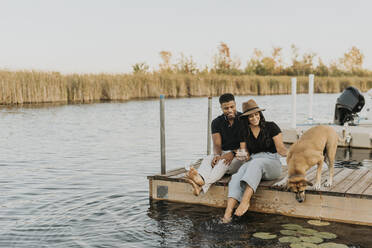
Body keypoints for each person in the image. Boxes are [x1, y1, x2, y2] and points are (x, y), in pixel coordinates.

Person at [222, 99, 288, 223]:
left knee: (256, 163)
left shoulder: (271, 126)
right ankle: (227, 213)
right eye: (250, 116)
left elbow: (281, 149)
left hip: (272, 163)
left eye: (256, 114)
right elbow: (245, 154)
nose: (254, 117)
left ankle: (245, 201)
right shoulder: (244, 131)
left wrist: (295, 153)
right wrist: (243, 155)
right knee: (236, 176)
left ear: (260, 114)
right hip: (253, 162)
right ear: (246, 118)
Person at [186, 93, 244, 196]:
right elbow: (217, 145)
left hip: (240, 154)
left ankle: (202, 184)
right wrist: (217, 155)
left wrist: (232, 153)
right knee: (208, 159)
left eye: (232, 107)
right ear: (221, 108)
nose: (230, 110)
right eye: (226, 108)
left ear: (235, 104)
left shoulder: (243, 119)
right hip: (224, 153)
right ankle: (200, 178)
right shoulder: (216, 122)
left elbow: (247, 145)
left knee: (223, 163)